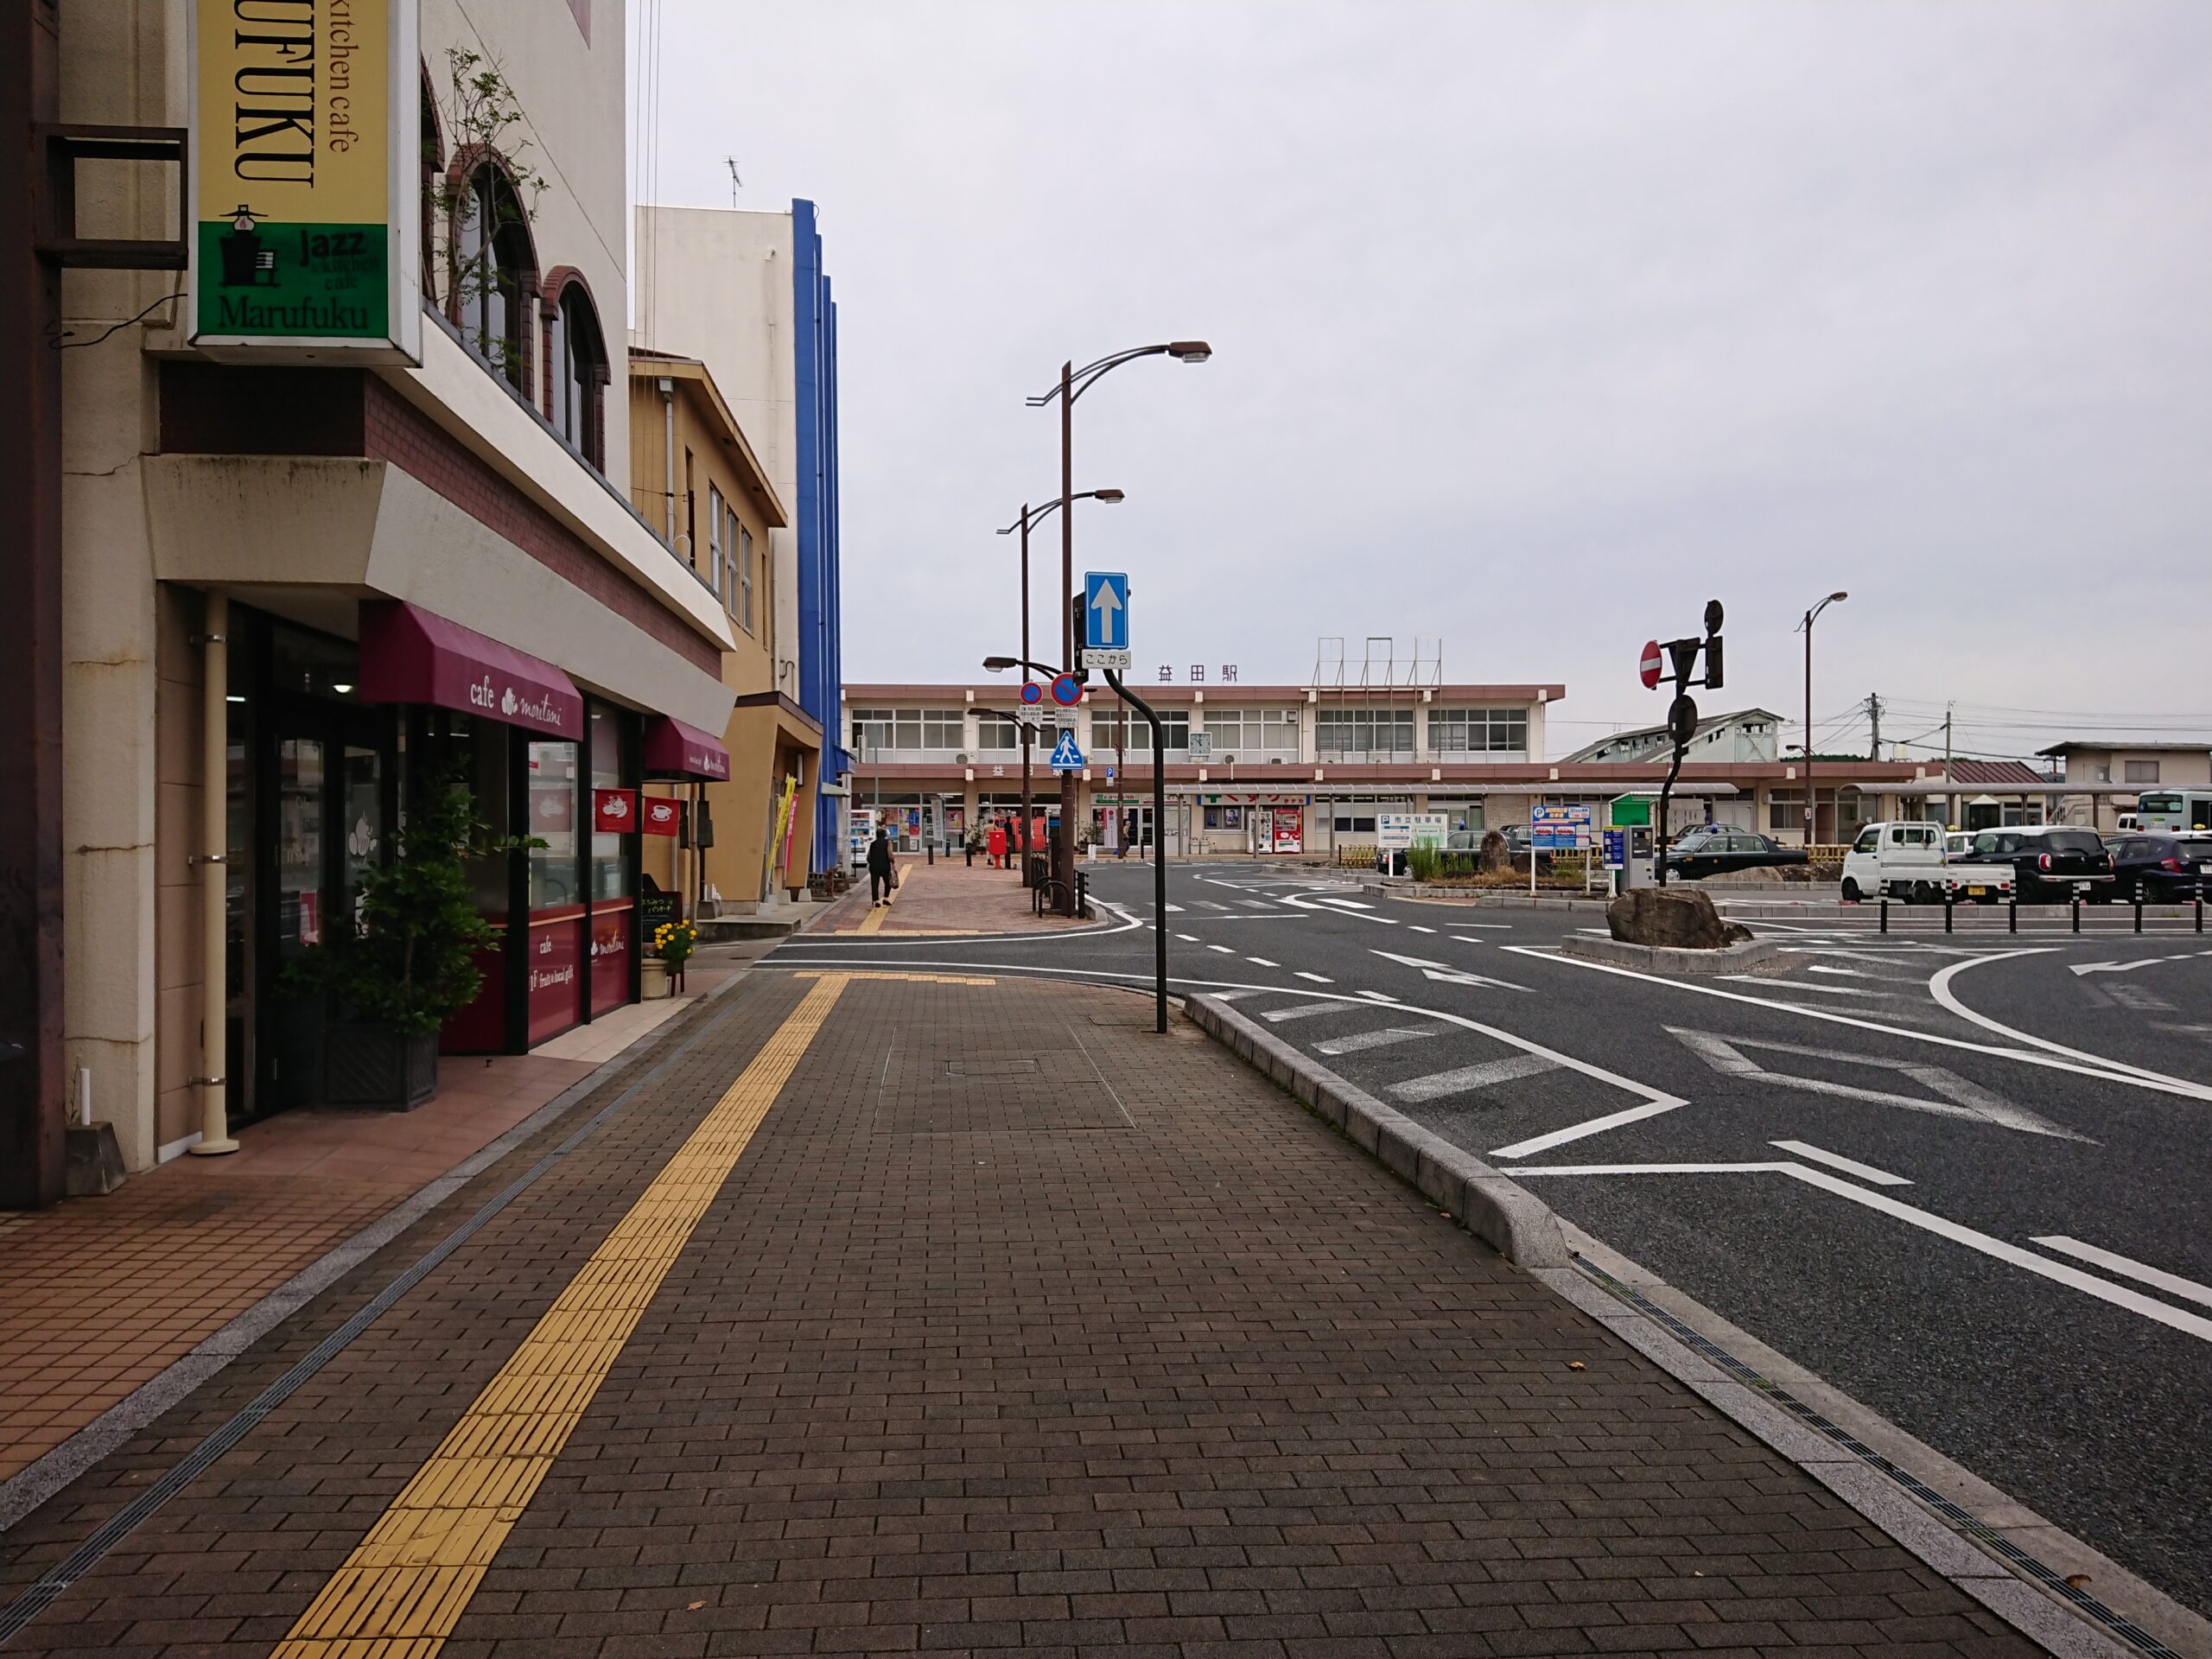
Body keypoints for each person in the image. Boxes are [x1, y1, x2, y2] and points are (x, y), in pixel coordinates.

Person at [867, 825, 895, 906]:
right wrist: (893, 861)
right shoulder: (888, 842)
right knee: (888, 883)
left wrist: (872, 863)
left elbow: (868, 856)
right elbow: (890, 854)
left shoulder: (872, 844)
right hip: (885, 867)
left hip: (874, 867)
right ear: (884, 835)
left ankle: (875, 901)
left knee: (874, 884)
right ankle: (885, 898)